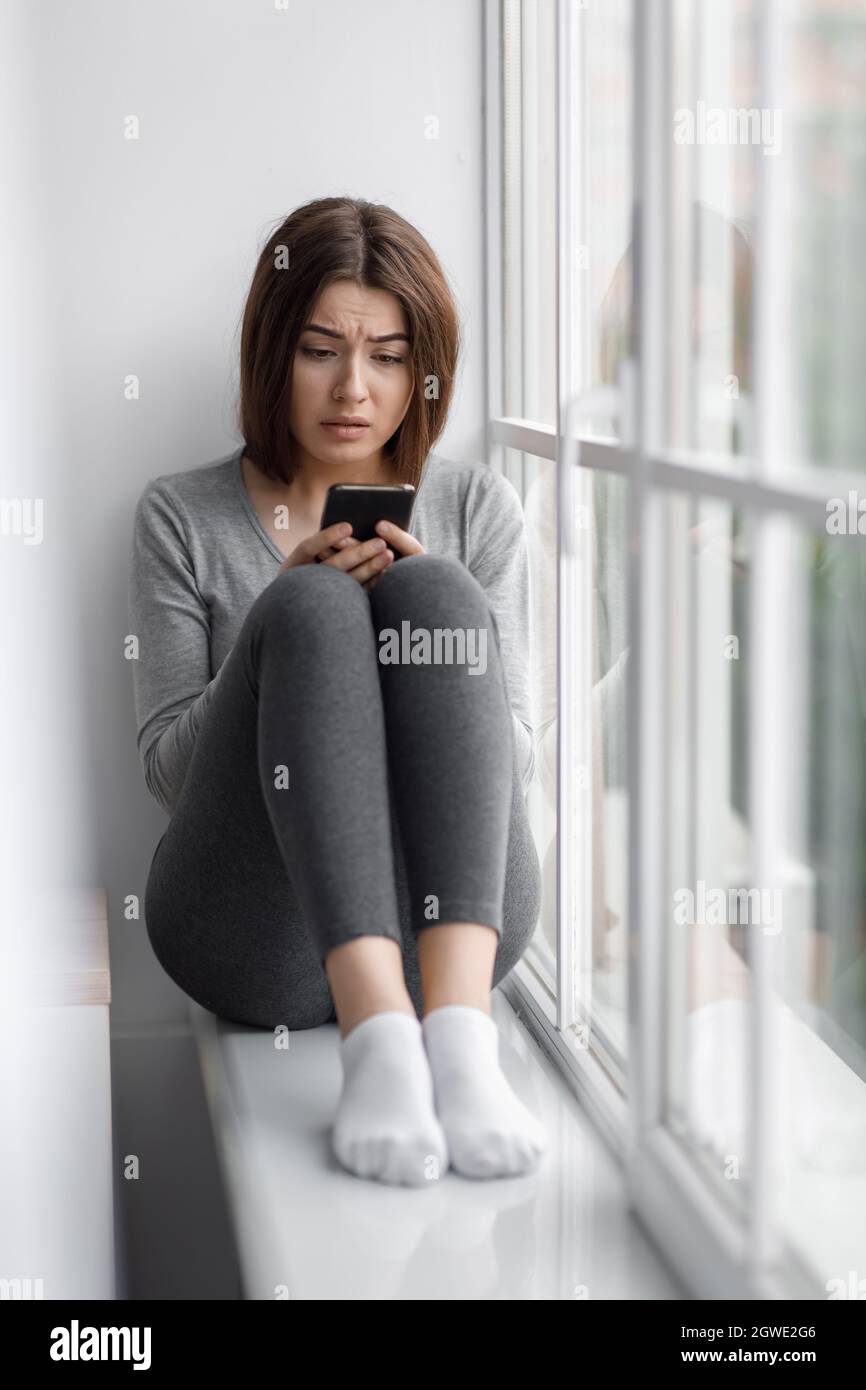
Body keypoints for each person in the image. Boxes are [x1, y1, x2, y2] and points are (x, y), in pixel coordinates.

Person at [128, 196, 548, 1187]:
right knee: (313, 610)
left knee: (433, 589)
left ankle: (454, 1041)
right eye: (321, 349)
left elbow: (517, 761)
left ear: (424, 366)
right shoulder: (179, 516)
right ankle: (376, 1043)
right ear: (273, 353)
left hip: (450, 931)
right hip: (256, 935)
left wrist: (428, 619)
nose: (353, 387)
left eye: (390, 355)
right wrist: (279, 614)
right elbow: (167, 774)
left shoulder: (476, 506)